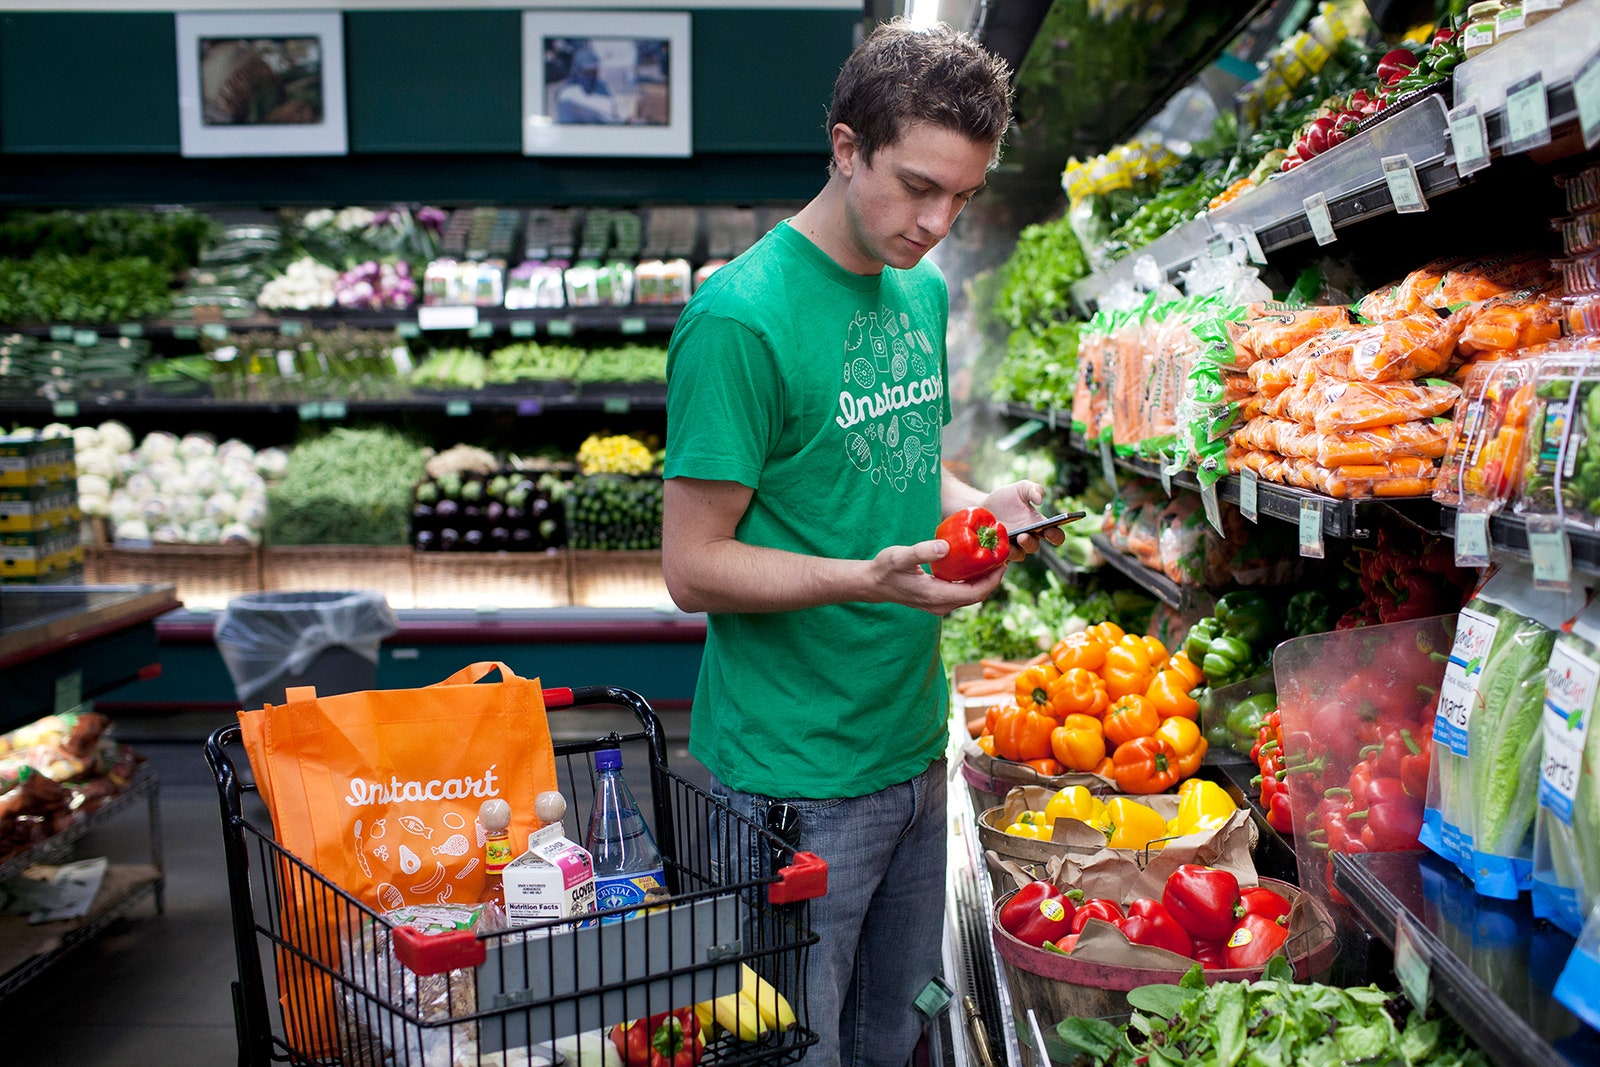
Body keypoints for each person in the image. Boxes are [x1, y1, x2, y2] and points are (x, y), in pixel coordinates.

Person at [662, 19, 1057, 1066]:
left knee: (897, 1030)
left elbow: (890, 456)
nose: (936, 222)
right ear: (846, 148)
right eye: (917, 186)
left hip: (911, 743)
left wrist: (981, 499)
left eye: (963, 196)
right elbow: (691, 566)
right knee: (798, 1045)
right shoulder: (738, 320)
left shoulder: (915, 291)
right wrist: (864, 581)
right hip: (794, 774)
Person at [553, 46, 617, 124]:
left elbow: (612, 113)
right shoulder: (566, 94)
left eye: (594, 72)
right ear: (577, 72)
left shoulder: (602, 87)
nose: (591, 77)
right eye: (587, 73)